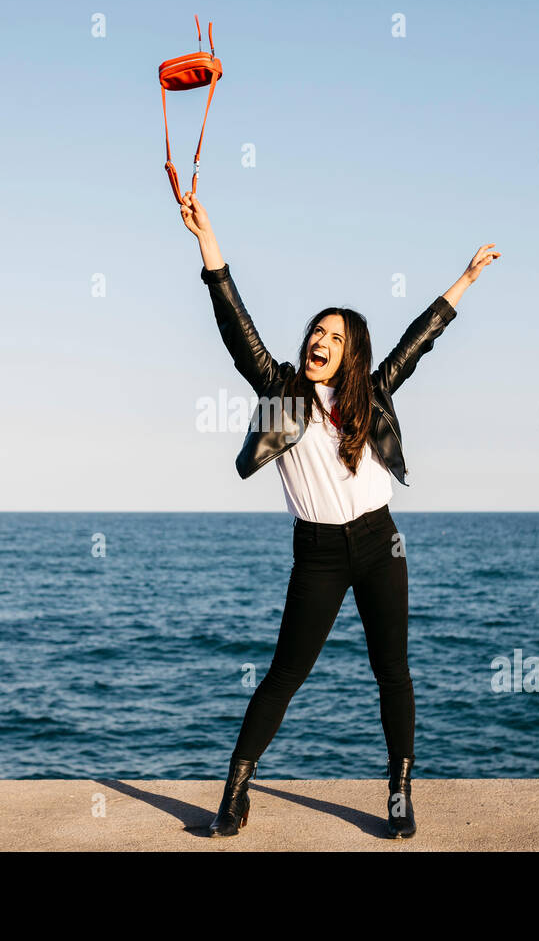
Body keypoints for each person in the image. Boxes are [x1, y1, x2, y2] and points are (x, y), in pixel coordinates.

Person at [179, 191, 499, 838]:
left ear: (351, 351)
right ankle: (236, 789)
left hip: (382, 544)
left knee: (393, 672)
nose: (321, 340)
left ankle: (400, 791)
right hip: (318, 552)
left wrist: (464, 280)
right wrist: (208, 242)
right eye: (316, 333)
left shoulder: (373, 392)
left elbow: (420, 339)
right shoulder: (281, 390)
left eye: (335, 336)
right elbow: (232, 320)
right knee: (285, 674)